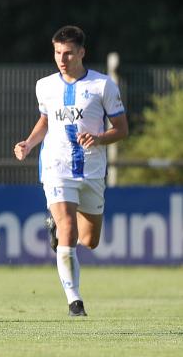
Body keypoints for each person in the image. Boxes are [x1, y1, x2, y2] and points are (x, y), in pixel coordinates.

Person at [14, 25, 128, 317]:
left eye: (67, 53)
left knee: (89, 240)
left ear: (81, 53)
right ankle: (74, 301)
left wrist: (100, 138)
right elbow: (45, 121)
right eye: (56, 53)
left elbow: (122, 129)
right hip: (56, 166)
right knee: (68, 227)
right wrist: (28, 143)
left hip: (91, 171)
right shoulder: (45, 85)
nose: (61, 59)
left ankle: (57, 227)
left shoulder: (103, 86)